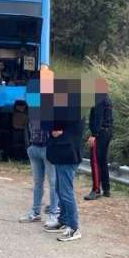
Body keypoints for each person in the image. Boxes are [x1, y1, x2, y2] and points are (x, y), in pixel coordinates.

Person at [44, 102, 84, 242]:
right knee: (60, 190)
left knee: (66, 192)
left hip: (68, 154)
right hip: (61, 153)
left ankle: (74, 228)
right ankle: (63, 220)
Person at [18, 114, 59, 228]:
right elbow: (28, 125)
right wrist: (28, 146)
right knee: (37, 183)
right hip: (34, 146)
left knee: (53, 183)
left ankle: (54, 213)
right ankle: (35, 212)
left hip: (48, 147)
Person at [84, 80, 114, 200]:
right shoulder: (107, 99)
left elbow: (98, 119)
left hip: (100, 133)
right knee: (102, 160)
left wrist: (94, 135)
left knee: (95, 161)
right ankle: (106, 189)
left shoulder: (99, 100)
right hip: (107, 132)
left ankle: (96, 190)